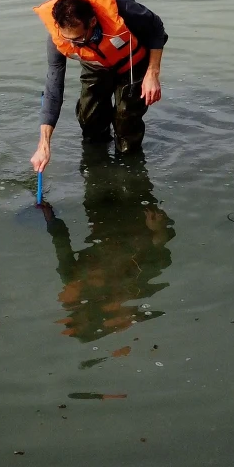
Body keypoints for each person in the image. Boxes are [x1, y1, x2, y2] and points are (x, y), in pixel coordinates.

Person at [31, 0, 166, 175]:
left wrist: (152, 73)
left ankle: (129, 175)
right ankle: (97, 173)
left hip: (132, 60)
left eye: (77, 39)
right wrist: (44, 144)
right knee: (90, 119)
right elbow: (53, 89)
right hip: (95, 63)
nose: (73, 45)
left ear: (92, 22)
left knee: (126, 122)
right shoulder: (58, 40)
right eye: (67, 39)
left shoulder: (124, 7)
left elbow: (156, 29)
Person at [42, 145, 173, 342]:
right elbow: (158, 254)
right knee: (131, 164)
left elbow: (61, 241)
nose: (74, 308)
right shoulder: (129, 287)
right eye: (79, 314)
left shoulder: (71, 276)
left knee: (97, 160)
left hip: (102, 219)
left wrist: (49, 216)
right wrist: (159, 229)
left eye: (76, 313)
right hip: (137, 223)